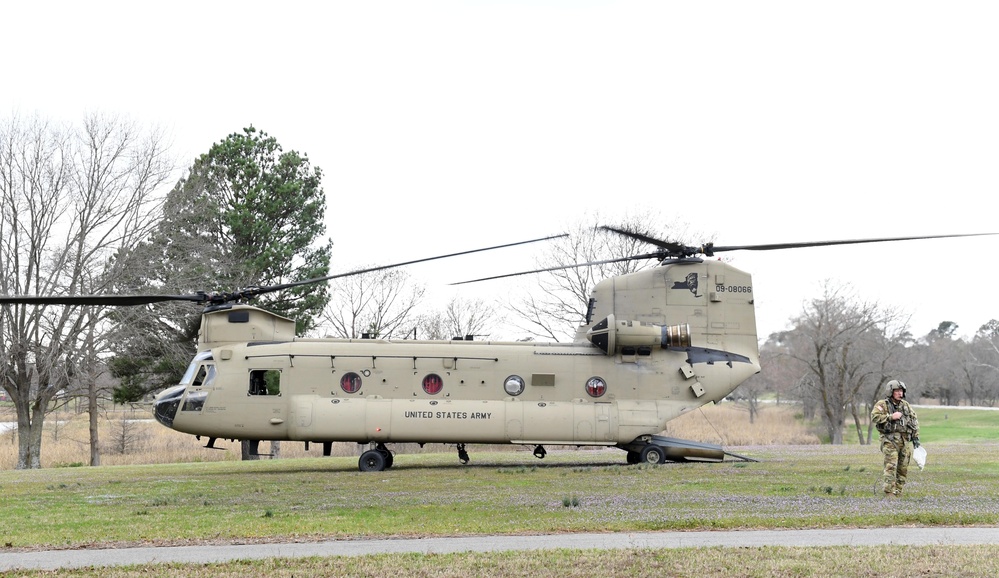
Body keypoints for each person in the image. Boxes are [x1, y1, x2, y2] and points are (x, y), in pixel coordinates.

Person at [870, 379, 920, 498]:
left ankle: (898, 491)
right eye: (897, 391)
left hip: (904, 441)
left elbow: (914, 421)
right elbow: (874, 417)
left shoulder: (905, 406)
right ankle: (889, 492)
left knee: (903, 468)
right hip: (890, 440)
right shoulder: (882, 404)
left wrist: (916, 437)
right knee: (891, 466)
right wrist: (890, 417)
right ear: (891, 391)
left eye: (901, 391)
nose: (900, 393)